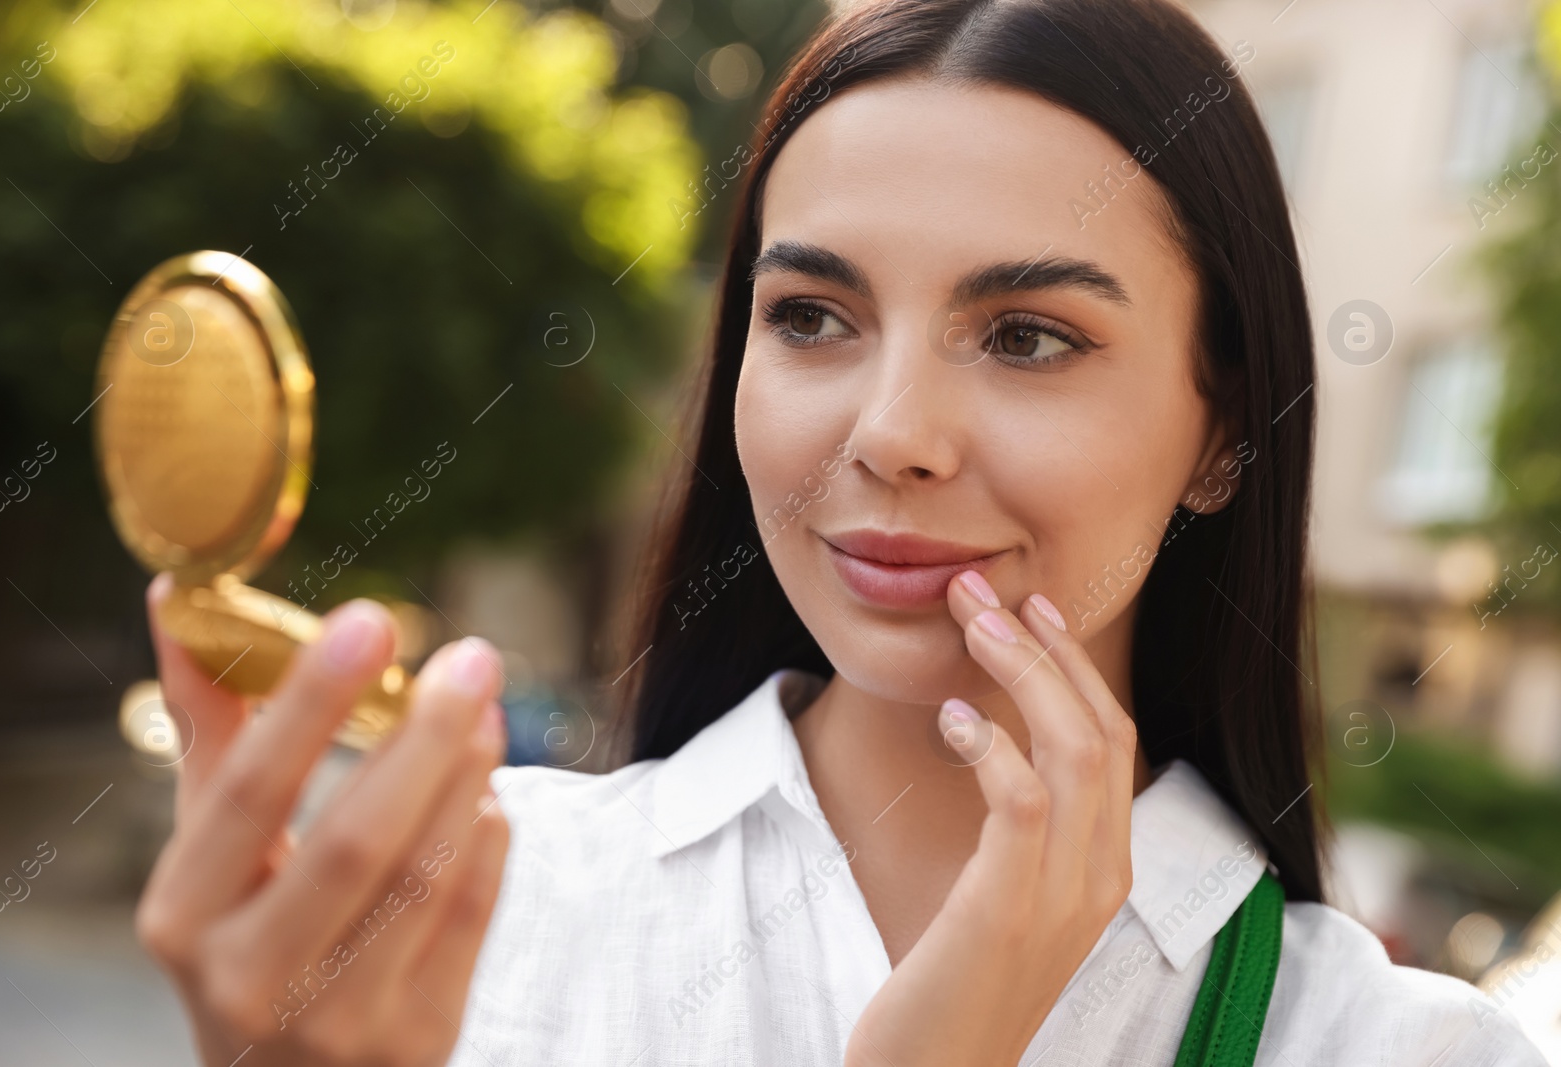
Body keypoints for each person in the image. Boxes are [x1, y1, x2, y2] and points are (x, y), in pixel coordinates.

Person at [133, 0, 1549, 1063]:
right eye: (812, 316)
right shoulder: (465, 915)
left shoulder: (1394, 1046)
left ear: (1223, 433)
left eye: (1029, 336)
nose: (889, 432)